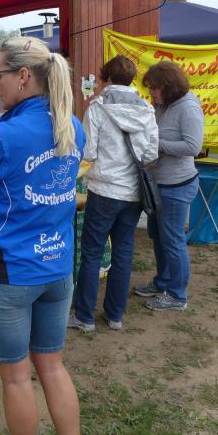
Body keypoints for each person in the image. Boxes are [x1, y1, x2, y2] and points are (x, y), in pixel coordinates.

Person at [0, 36, 85, 435]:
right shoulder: (72, 126)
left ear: (23, 76)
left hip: (8, 274)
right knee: (53, 366)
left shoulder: (2, 136)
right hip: (58, 268)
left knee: (16, 378)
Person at [68, 56, 158, 333]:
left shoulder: (97, 108)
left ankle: (84, 317)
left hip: (104, 190)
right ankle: (115, 315)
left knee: (92, 252)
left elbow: (89, 152)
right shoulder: (147, 109)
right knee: (123, 252)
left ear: (106, 78)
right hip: (133, 193)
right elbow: (151, 153)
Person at [134, 61, 204, 312]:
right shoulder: (163, 105)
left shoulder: (188, 108)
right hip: (160, 183)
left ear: (168, 87)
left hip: (176, 185)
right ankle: (163, 282)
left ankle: (176, 295)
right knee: (158, 236)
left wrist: (157, 144)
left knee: (173, 240)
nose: (151, 92)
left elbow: (193, 147)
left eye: (154, 88)